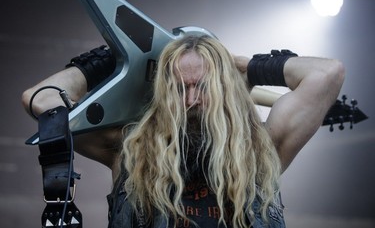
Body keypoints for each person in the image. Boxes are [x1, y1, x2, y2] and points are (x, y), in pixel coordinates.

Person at [22, 35, 345, 228]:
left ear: (225, 88)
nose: (191, 99)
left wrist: (243, 65)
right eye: (179, 87)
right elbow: (40, 100)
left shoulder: (263, 147)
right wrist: (107, 62)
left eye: (202, 86)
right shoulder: (130, 150)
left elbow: (327, 73)